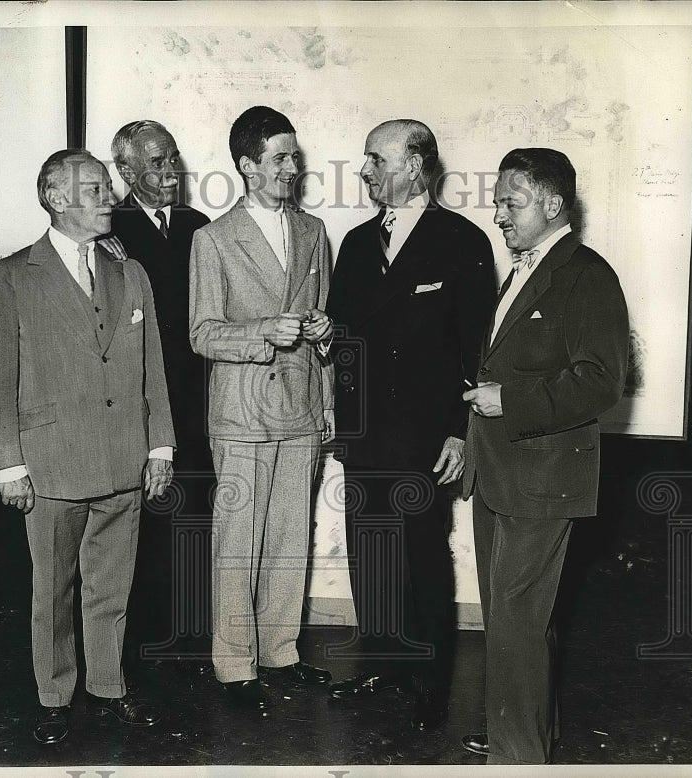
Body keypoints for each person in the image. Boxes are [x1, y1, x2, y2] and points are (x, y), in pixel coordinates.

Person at [0, 149, 175, 745]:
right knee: (53, 591)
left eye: (106, 185)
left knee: (112, 590)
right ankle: (54, 697)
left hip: (123, 462)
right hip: (50, 467)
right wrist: (7, 466)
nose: (108, 195)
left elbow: (153, 370)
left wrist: (159, 449)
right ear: (56, 199)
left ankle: (107, 689)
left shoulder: (130, 272)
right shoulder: (10, 276)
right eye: (93, 188)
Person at [325, 119, 496, 731]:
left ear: (416, 163)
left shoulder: (463, 240)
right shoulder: (354, 242)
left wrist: (460, 429)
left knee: (423, 557)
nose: (365, 170)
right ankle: (381, 667)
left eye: (376, 158)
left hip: (426, 433)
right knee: (371, 552)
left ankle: (430, 685)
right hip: (365, 430)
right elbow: (343, 334)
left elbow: (479, 348)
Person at [460, 147, 629, 764]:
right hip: (501, 473)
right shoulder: (525, 269)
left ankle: (515, 759)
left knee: (515, 624)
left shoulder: (586, 275)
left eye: (513, 201)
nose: (499, 213)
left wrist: (514, 402)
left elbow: (602, 379)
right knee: (519, 622)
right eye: (498, 200)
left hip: (542, 477)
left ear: (554, 205)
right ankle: (526, 739)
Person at [188, 105, 334, 714]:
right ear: (247, 166)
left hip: (300, 411)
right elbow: (202, 333)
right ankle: (233, 665)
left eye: (294, 156)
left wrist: (324, 335)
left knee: (289, 538)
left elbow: (323, 326)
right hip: (242, 414)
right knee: (238, 542)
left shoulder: (314, 232)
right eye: (279, 158)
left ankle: (281, 653)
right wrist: (261, 333)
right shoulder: (213, 239)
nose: (292, 168)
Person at [107, 120, 215, 672]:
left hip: (198, 400)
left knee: (196, 514)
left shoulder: (200, 226)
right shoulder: (109, 230)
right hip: (142, 401)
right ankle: (142, 645)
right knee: (146, 519)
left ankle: (191, 635)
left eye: (173, 157)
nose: (170, 171)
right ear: (126, 173)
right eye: (155, 164)